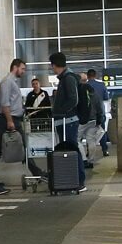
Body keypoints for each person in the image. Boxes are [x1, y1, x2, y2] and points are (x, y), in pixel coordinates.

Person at [49, 52, 87, 192]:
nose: (52, 69)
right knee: (69, 149)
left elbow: (73, 99)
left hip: (68, 121)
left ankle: (80, 180)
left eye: (52, 66)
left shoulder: (68, 78)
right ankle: (72, 179)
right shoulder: (65, 78)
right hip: (64, 121)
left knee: (72, 149)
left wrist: (61, 111)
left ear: (55, 65)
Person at [77, 73, 106, 168]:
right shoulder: (94, 92)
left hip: (82, 120)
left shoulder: (78, 91)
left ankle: (84, 160)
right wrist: (100, 119)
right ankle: (91, 160)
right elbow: (100, 107)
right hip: (93, 120)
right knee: (91, 140)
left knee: (77, 140)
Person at [0, 58, 26, 155]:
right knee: (23, 146)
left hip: (13, 118)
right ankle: (35, 170)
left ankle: (35, 169)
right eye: (22, 69)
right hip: (10, 119)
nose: (23, 71)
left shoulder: (12, 82)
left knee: (23, 146)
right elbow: (5, 102)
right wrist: (9, 121)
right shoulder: (7, 82)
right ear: (15, 67)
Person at [86, 69, 111, 156]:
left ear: (87, 76)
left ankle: (89, 151)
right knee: (101, 131)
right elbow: (106, 97)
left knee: (88, 133)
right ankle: (105, 150)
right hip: (100, 111)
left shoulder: (84, 86)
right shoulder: (101, 85)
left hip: (89, 113)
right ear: (95, 75)